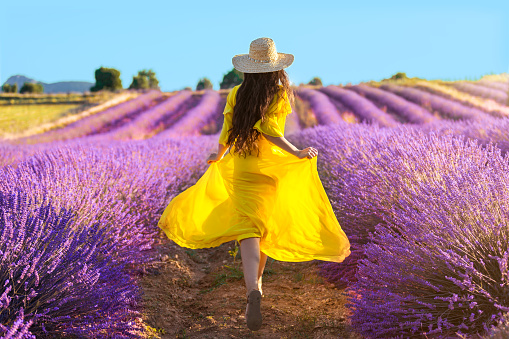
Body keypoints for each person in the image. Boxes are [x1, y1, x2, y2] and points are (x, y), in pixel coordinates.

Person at [157, 37, 351, 332]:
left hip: (243, 165)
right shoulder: (279, 93)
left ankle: (252, 289)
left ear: (249, 68)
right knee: (262, 227)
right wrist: (296, 152)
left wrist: (219, 155)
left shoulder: (237, 92)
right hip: (269, 166)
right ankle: (257, 285)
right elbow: (271, 131)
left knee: (248, 228)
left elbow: (229, 129)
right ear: (276, 68)